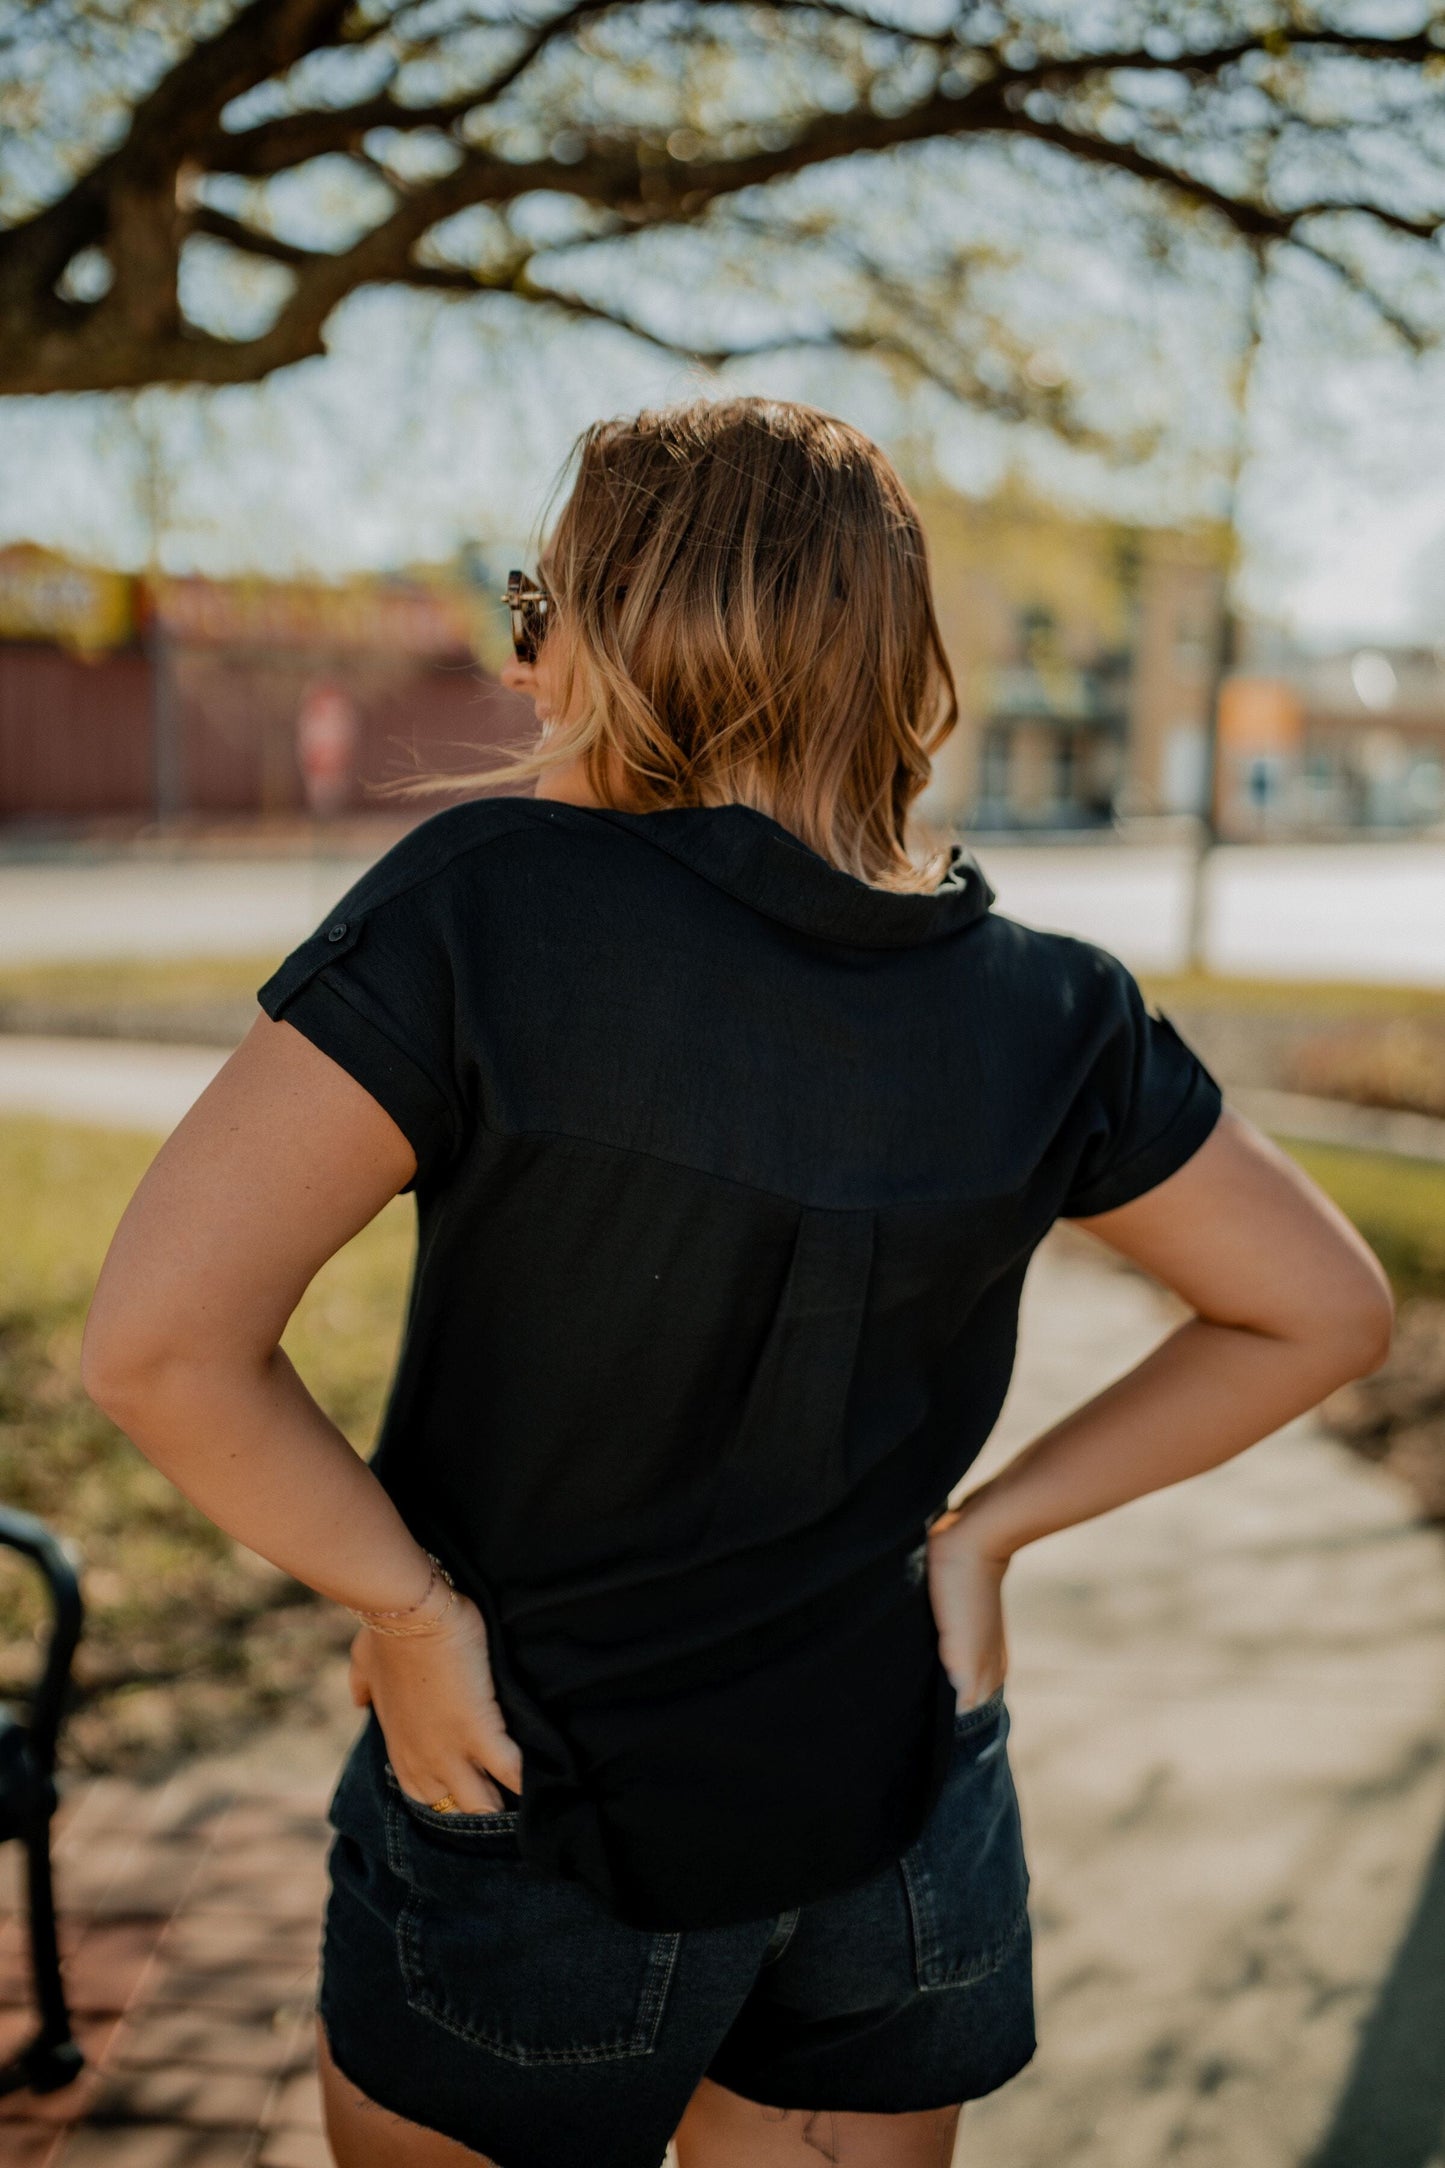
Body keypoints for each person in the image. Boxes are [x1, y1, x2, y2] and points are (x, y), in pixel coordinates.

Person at [82, 398, 1393, 2168]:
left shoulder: (487, 905)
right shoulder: (1052, 1002)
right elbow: (1322, 1307)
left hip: (529, 1794)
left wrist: (402, 1614)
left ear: (623, 633)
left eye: (537, 606)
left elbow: (161, 1348)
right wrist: (986, 1534)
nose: (520, 661)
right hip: (904, 1807)